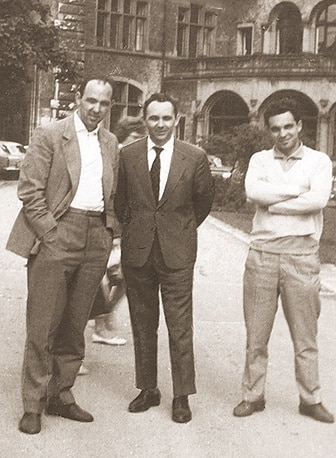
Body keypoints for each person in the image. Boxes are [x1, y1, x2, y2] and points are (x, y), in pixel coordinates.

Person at [6, 77, 119, 434]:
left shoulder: (110, 141)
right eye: (91, 100)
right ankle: (33, 404)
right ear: (78, 99)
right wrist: (50, 234)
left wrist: (109, 232)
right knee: (43, 324)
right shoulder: (51, 134)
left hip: (95, 236)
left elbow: (112, 193)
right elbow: (29, 191)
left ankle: (62, 395)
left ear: (109, 107)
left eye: (103, 103)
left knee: (74, 323)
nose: (96, 108)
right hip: (58, 232)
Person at [233, 99, 334, 423]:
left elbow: (318, 199)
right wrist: (297, 193)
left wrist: (273, 202)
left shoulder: (319, 161)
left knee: (305, 337)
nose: (283, 133)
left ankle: (310, 398)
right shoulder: (260, 159)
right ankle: (253, 395)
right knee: (256, 336)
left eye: (288, 126)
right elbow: (252, 191)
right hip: (262, 255)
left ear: (300, 126)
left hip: (302, 257)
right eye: (275, 128)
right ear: (269, 130)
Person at [115, 93, 214, 423]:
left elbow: (202, 205)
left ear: (177, 120)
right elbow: (121, 203)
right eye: (153, 118)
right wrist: (139, 230)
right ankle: (147, 389)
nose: (160, 124)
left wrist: (177, 229)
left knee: (179, 327)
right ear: (145, 120)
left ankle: (182, 395)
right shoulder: (127, 155)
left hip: (177, 253)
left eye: (166, 118)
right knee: (143, 325)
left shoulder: (194, 157)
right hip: (138, 252)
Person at [88, 117, 147, 347]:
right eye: (133, 138)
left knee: (124, 277)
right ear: (122, 138)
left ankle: (104, 316)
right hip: (105, 227)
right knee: (97, 278)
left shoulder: (138, 161)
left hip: (125, 230)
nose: (137, 142)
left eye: (140, 138)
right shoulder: (114, 159)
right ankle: (100, 325)